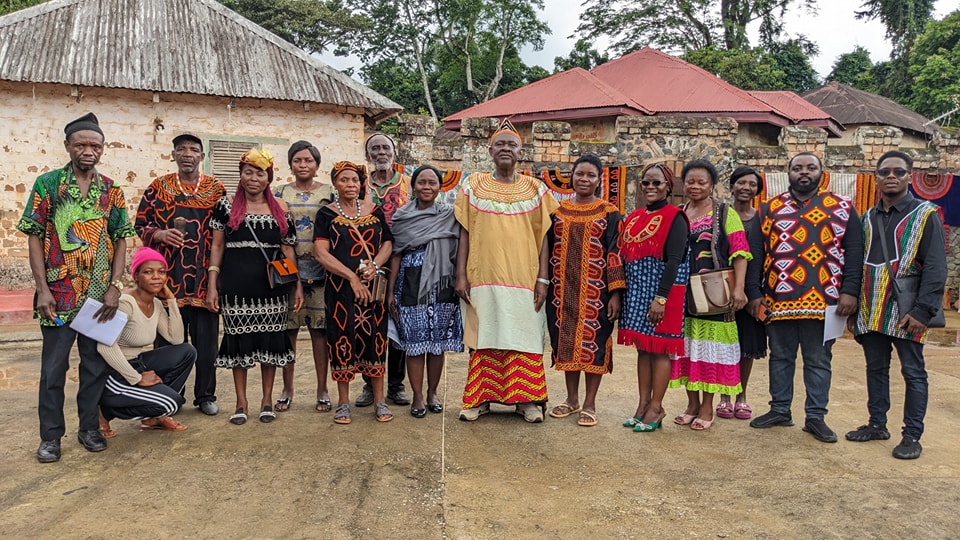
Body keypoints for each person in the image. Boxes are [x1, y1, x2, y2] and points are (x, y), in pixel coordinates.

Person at [17, 112, 135, 463]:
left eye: (95, 145)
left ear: (102, 149)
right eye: (81, 144)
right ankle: (51, 437)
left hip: (99, 297)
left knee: (94, 366)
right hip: (60, 294)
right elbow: (35, 238)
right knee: (53, 369)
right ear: (68, 146)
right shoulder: (48, 185)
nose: (88, 150)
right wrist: (42, 289)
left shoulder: (111, 190)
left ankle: (89, 429)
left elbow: (121, 239)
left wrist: (115, 286)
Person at [749, 152, 863, 443]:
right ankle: (780, 409)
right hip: (777, 299)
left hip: (825, 300)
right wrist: (754, 293)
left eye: (810, 168)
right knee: (781, 357)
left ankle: (815, 417)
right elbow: (756, 254)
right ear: (788, 172)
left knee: (818, 360)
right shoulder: (770, 209)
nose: (804, 172)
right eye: (797, 168)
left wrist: (850, 291)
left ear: (821, 172)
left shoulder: (841, 207)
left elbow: (854, 252)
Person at [455, 119, 559, 423]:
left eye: (511, 144)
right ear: (489, 150)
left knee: (523, 337)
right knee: (484, 336)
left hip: (524, 279)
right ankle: (480, 400)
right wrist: (461, 274)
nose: (505, 149)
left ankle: (526, 401)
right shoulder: (472, 187)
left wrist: (543, 278)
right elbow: (465, 232)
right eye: (499, 144)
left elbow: (543, 236)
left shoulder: (536, 190)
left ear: (520, 152)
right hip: (482, 275)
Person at [846, 151, 947, 459]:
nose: (891, 176)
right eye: (885, 171)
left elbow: (935, 267)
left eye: (898, 171)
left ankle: (912, 435)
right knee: (875, 368)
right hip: (871, 306)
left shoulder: (925, 214)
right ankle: (877, 424)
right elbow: (855, 262)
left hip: (906, 310)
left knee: (913, 372)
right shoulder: (866, 218)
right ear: (876, 177)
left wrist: (922, 311)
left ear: (909, 176)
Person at [206, 149, 303, 425]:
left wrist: (295, 285)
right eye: (248, 172)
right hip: (235, 288)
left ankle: (266, 400)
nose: (253, 178)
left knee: (270, 343)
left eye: (260, 173)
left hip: (271, 288)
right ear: (240, 175)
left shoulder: (281, 208)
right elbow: (217, 245)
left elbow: (288, 249)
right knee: (239, 343)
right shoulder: (225, 206)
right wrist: (213, 286)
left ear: (268, 177)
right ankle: (241, 402)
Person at [135, 133, 226, 416]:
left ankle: (205, 395)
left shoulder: (216, 190)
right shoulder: (158, 188)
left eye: (194, 150)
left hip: (203, 281)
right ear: (173, 155)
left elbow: (224, 236)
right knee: (167, 343)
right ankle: (170, 396)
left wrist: (215, 281)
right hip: (167, 281)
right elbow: (140, 224)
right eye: (182, 149)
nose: (188, 154)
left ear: (202, 156)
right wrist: (159, 233)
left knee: (207, 345)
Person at [669, 160, 750, 431]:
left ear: (712, 185)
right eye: (690, 181)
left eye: (701, 182)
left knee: (711, 351)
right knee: (688, 348)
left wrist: (739, 289)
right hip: (683, 295)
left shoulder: (725, 213)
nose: (695, 186)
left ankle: (706, 407)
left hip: (714, 294)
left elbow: (740, 252)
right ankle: (692, 404)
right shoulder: (678, 212)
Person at [545, 154, 625, 427]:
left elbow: (616, 252)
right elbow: (545, 250)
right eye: (580, 174)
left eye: (591, 175)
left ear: (598, 179)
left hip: (597, 293)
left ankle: (590, 403)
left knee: (594, 345)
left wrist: (615, 293)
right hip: (562, 291)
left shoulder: (609, 212)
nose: (584, 179)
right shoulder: (557, 212)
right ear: (572, 176)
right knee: (565, 343)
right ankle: (571, 399)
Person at [314, 161, 395, 424]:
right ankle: (343, 403)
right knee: (342, 338)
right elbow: (321, 252)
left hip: (373, 288)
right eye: (344, 180)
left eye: (354, 180)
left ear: (362, 183)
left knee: (376, 338)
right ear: (335, 184)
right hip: (340, 290)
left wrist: (374, 266)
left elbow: (387, 242)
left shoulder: (374, 211)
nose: (350, 185)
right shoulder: (326, 214)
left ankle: (380, 400)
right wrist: (351, 277)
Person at [387, 164, 463, 418]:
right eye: (422, 182)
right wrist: (390, 292)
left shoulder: (450, 215)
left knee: (437, 343)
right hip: (410, 282)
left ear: (440, 187)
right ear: (414, 186)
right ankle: (417, 396)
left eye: (432, 182)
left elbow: (460, 247)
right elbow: (396, 255)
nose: (427, 187)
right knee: (414, 342)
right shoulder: (402, 217)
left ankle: (433, 392)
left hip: (442, 283)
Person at [618, 163, 689, 433]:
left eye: (657, 183)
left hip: (663, 291)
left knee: (660, 350)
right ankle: (642, 404)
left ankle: (657, 407)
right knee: (643, 350)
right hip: (638, 291)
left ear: (668, 187)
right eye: (646, 182)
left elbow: (674, 261)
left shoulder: (676, 217)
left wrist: (660, 299)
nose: (650, 187)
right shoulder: (635, 217)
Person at [97, 247, 197, 435]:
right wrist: (137, 379)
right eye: (148, 272)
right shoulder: (125, 303)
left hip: (138, 363)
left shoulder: (156, 303)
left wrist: (171, 299)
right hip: (115, 373)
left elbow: (176, 339)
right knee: (172, 403)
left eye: (161, 272)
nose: (156, 277)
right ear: (136, 276)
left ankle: (153, 417)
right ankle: (104, 411)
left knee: (187, 351)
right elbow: (105, 346)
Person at [273, 141, 335, 413]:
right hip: (288, 271)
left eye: (308, 160)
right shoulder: (278, 193)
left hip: (322, 271)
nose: (303, 165)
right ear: (290, 164)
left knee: (320, 333)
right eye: (297, 160)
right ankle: (287, 389)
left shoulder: (329, 193)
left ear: (317, 164)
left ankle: (322, 388)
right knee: (289, 332)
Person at [356, 133, 412, 408]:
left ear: (394, 152)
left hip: (400, 261)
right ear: (368, 155)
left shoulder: (409, 184)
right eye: (375, 148)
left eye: (385, 148)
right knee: (368, 324)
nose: (381, 152)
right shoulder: (358, 184)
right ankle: (369, 383)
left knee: (396, 322)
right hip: (365, 264)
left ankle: (396, 385)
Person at [716, 166, 767, 421]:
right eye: (741, 183)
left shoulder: (763, 218)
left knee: (747, 346)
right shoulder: (720, 215)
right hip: (722, 289)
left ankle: (741, 396)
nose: (746, 188)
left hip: (753, 291)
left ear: (757, 189)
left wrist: (755, 292)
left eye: (752, 184)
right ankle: (725, 395)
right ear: (732, 186)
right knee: (726, 343)